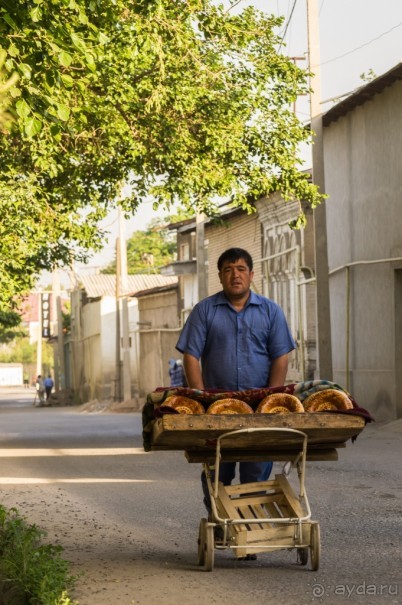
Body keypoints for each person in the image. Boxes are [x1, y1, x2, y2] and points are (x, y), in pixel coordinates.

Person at [176, 247, 295, 554]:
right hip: (217, 408)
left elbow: (280, 356)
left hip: (259, 407)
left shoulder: (270, 311)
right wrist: (200, 398)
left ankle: (247, 531)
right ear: (220, 276)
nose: (235, 275)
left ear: (251, 274)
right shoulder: (205, 311)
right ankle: (220, 522)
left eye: (241, 269)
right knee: (218, 472)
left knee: (256, 470)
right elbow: (191, 355)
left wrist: (272, 397)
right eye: (228, 269)